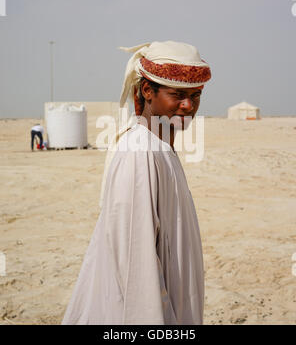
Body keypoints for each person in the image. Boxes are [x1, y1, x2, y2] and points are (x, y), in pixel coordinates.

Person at [61, 41, 212, 325]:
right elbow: (134, 266)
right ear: (147, 91)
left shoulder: (158, 148)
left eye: (195, 95)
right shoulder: (138, 152)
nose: (188, 105)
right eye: (177, 94)